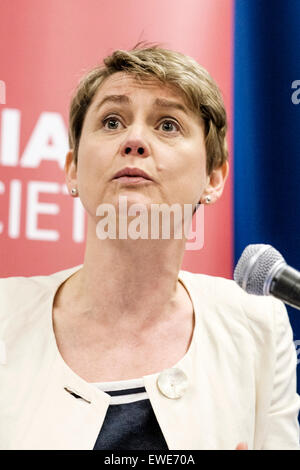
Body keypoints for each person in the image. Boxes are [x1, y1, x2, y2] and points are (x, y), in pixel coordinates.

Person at [0, 43, 299, 450]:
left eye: (168, 125)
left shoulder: (258, 327)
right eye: (111, 121)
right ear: (71, 169)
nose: (135, 140)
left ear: (214, 177)